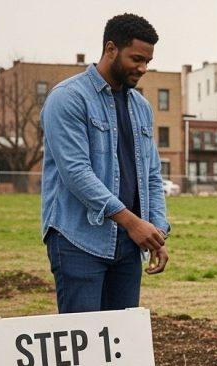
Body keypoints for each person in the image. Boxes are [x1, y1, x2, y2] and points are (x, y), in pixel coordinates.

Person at [40, 13, 169, 313]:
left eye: (148, 61)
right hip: (77, 241)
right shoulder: (68, 98)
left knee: (120, 346)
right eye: (136, 58)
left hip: (127, 245)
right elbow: (75, 172)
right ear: (111, 49)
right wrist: (132, 222)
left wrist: (155, 232)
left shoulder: (141, 108)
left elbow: (151, 174)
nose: (143, 68)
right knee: (83, 347)